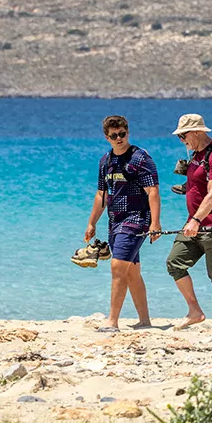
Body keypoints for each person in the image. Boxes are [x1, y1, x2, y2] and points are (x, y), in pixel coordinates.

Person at [83, 114, 163, 332]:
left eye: (122, 134)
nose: (119, 138)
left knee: (117, 266)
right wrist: (92, 223)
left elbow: (153, 191)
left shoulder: (140, 158)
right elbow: (102, 195)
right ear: (106, 137)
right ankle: (145, 321)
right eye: (114, 136)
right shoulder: (105, 161)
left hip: (137, 220)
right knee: (131, 272)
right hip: (114, 222)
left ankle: (112, 322)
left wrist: (155, 223)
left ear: (128, 132)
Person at [166, 113, 212, 328]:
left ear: (197, 132)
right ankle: (195, 311)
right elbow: (201, 185)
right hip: (192, 223)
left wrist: (196, 219)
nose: (182, 141)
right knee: (174, 263)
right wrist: (187, 189)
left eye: (183, 136)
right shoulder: (196, 155)